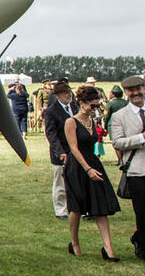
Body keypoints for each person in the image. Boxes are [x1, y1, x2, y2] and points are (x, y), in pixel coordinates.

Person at [62, 85, 120, 259]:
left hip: (93, 163)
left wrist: (93, 166)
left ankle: (109, 250)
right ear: (81, 103)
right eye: (92, 106)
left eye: (97, 106)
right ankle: (75, 243)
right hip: (77, 167)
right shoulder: (71, 122)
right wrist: (87, 169)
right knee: (76, 208)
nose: (95, 109)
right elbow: (74, 148)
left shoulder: (93, 122)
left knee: (101, 205)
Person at [110, 75, 145, 261]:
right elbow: (117, 142)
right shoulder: (119, 116)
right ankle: (142, 245)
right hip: (137, 170)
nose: (136, 93)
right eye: (132, 91)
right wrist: (141, 138)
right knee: (142, 212)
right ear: (126, 93)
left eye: (139, 89)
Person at [44, 80, 76, 219]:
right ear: (58, 95)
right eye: (65, 93)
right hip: (61, 151)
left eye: (69, 91)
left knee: (77, 181)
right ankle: (61, 210)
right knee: (60, 183)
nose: (69, 94)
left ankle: (77, 208)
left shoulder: (75, 107)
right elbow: (51, 133)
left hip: (76, 150)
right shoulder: (51, 111)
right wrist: (60, 151)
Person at [104, 84, 128, 165]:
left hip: (112, 125)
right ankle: (124, 160)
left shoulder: (110, 103)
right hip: (125, 124)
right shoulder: (126, 102)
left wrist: (105, 126)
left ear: (113, 94)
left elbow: (106, 116)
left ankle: (120, 160)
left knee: (116, 143)